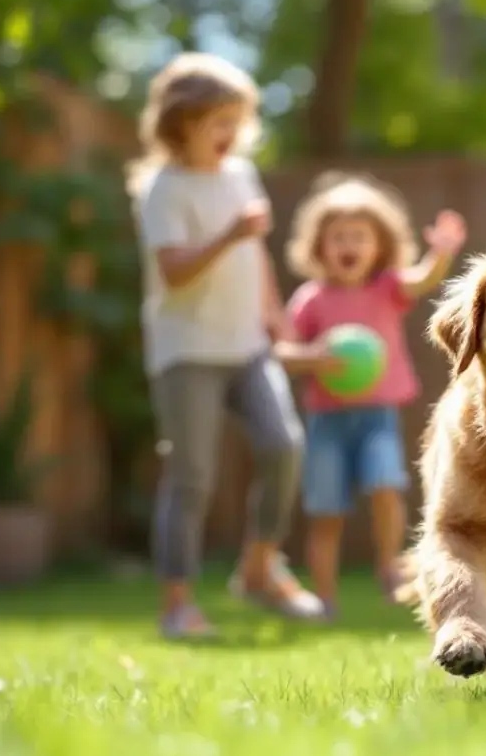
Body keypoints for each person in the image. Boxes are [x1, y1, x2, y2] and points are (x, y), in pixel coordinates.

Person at [130, 52, 324, 639]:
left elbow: (255, 253)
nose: (230, 134)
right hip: (185, 350)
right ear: (178, 123)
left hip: (246, 346)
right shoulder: (163, 188)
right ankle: (178, 603)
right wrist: (230, 233)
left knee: (284, 444)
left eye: (236, 121)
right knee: (191, 476)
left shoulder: (240, 174)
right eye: (217, 121)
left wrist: (274, 318)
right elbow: (175, 272)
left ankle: (260, 566)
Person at [276, 172, 467, 620]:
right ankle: (324, 598)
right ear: (319, 247)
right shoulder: (311, 299)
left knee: (386, 487)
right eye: (338, 236)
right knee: (326, 513)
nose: (349, 244)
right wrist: (315, 357)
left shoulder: (386, 288)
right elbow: (282, 354)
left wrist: (440, 254)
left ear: (378, 246)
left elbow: (422, 280)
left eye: (360, 236)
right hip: (328, 422)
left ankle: (389, 566)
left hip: (378, 415)